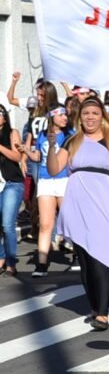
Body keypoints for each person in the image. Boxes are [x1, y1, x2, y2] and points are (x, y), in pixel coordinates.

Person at [48, 97, 109, 330]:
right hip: (76, 203)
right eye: (86, 113)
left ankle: (104, 313)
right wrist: (51, 147)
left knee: (100, 257)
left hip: (103, 203)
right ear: (80, 117)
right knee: (85, 260)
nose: (90, 117)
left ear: (102, 117)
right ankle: (95, 308)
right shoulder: (72, 141)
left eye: (95, 113)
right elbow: (54, 169)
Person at [24, 106, 72, 276]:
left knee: (69, 220)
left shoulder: (70, 134)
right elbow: (38, 157)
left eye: (65, 114)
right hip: (45, 180)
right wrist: (27, 151)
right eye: (61, 115)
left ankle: (78, 255)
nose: (64, 117)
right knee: (45, 224)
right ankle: (42, 264)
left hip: (64, 179)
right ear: (51, 117)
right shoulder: (43, 135)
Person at [0, 105, 25, 277]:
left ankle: (10, 262)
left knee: (7, 224)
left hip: (11, 183)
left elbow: (18, 156)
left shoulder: (12, 133)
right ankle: (1, 256)